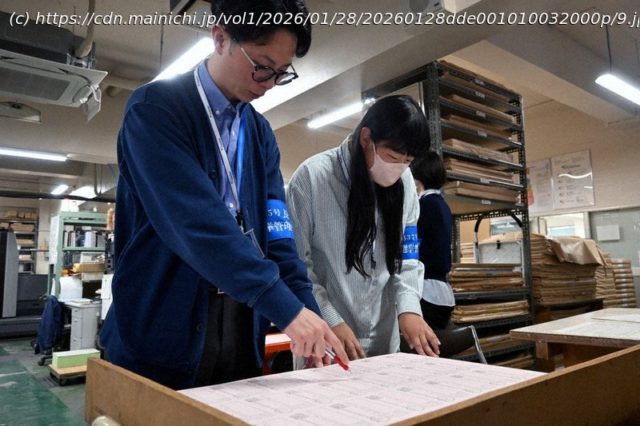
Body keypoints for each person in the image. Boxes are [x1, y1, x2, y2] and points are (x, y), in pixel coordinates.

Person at [100, 0, 347, 390]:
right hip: (160, 332)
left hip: (238, 330)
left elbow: (278, 237)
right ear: (220, 38)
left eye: (281, 73)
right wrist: (284, 308)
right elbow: (197, 226)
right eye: (262, 65)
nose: (268, 83)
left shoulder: (260, 134)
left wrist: (310, 316)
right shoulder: (156, 110)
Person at [287, 95, 441, 360]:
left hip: (384, 341)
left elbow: (407, 258)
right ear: (366, 138)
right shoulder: (312, 179)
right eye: (392, 157)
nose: (399, 169)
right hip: (325, 341)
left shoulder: (405, 183)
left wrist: (409, 309)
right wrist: (331, 320)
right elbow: (298, 267)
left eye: (407, 161)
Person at [411, 152, 454, 330]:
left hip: (426, 291)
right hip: (441, 292)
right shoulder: (442, 204)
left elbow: (411, 246)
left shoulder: (424, 205)